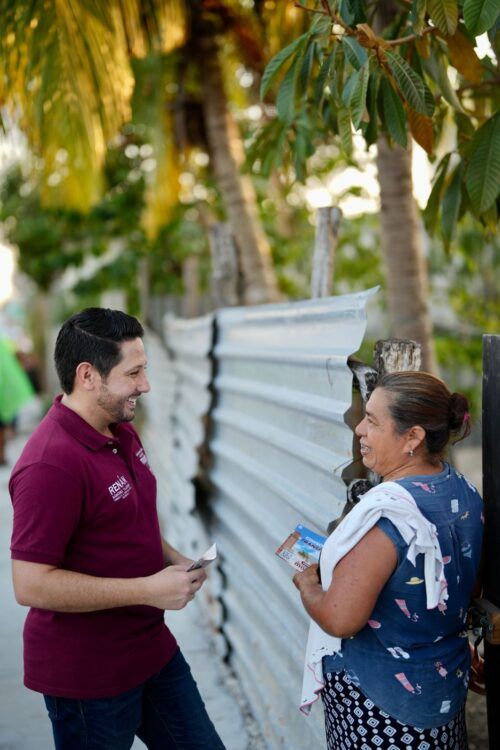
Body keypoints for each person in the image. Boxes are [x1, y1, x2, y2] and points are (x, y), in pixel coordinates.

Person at [9, 308, 226, 750]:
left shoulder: (119, 431)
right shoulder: (49, 465)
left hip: (151, 651)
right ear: (88, 375)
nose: (146, 385)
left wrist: (175, 560)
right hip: (89, 679)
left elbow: (128, 521)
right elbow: (30, 584)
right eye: (134, 373)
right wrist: (147, 589)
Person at [293, 371, 483, 750]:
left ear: (413, 437)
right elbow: (468, 586)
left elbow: (340, 619)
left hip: (380, 708)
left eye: (372, 421)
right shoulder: (463, 492)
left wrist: (308, 585)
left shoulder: (389, 518)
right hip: (442, 690)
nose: (359, 429)